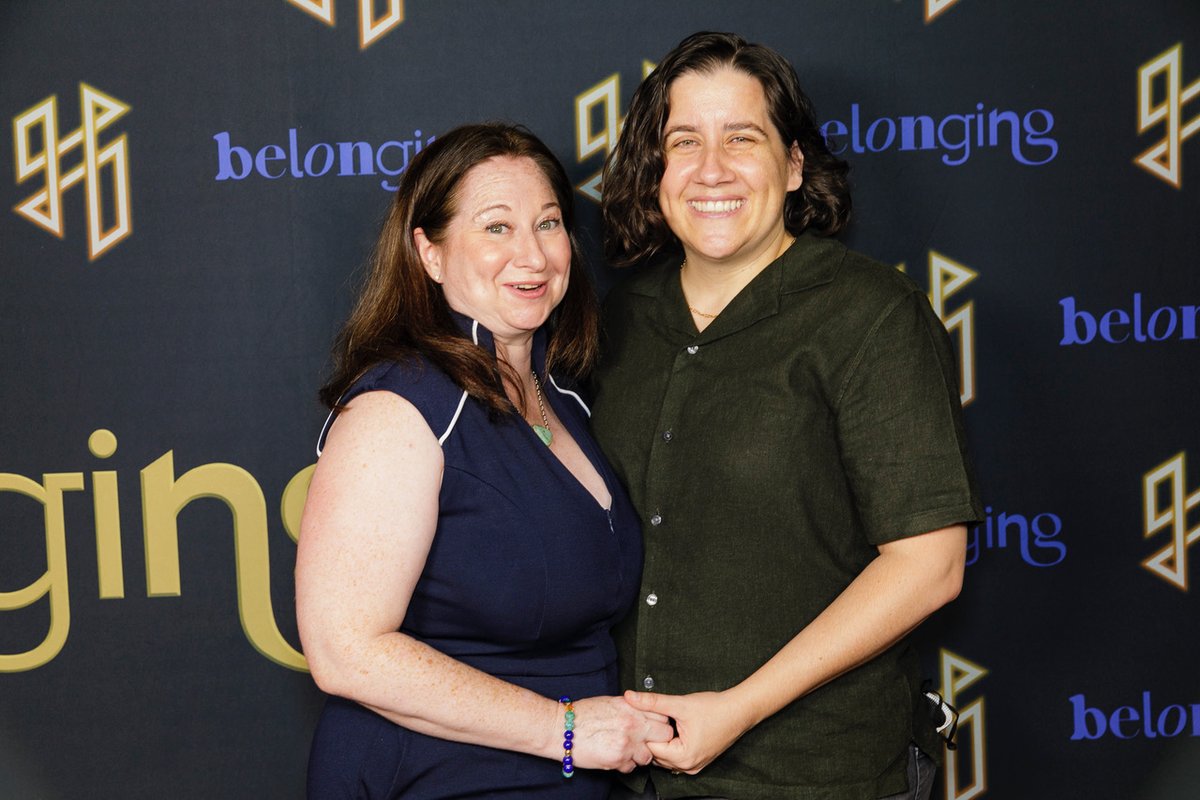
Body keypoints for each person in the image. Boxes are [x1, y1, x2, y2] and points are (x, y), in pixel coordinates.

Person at [591, 32, 983, 800]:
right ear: (657, 168)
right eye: (684, 141)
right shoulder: (620, 321)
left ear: (795, 163)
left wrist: (737, 710)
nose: (711, 169)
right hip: (634, 776)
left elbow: (928, 566)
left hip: (813, 775)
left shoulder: (870, 315)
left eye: (743, 138)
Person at [295, 122, 674, 799]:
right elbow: (343, 651)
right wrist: (562, 730)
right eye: (496, 228)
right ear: (430, 253)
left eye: (549, 223)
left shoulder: (563, 399)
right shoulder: (399, 408)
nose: (531, 255)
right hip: (436, 778)